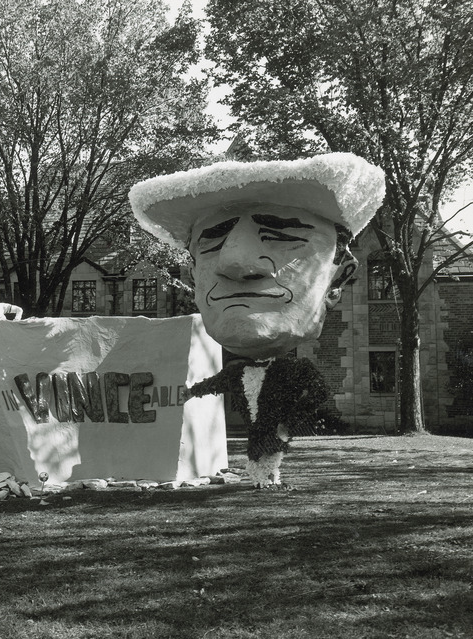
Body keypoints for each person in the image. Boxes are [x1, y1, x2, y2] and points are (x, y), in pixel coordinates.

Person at [129, 152, 385, 487]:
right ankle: (264, 479)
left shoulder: (295, 371)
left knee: (267, 446)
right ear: (192, 278)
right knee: (258, 448)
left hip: (273, 423)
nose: (236, 262)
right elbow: (216, 384)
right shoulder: (240, 371)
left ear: (337, 281)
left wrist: (292, 421)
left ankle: (269, 479)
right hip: (262, 423)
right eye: (212, 241)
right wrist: (185, 394)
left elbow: (317, 394)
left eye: (283, 235)